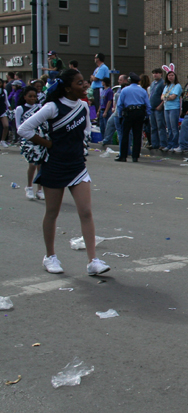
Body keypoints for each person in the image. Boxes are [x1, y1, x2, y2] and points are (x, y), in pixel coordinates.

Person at [17, 68, 111, 276]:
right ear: (68, 88)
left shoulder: (84, 107)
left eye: (84, 82)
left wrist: (79, 147)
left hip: (77, 165)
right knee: (52, 212)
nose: (85, 85)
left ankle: (93, 260)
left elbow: (86, 131)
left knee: (86, 212)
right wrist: (48, 144)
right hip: (55, 166)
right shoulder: (52, 107)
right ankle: (50, 256)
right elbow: (24, 129)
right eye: (79, 83)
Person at [15, 86, 45, 200]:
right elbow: (18, 126)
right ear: (24, 97)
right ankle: (29, 187)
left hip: (39, 138)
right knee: (32, 164)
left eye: (34, 96)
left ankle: (40, 189)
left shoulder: (40, 107)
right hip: (27, 139)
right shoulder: (20, 109)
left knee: (40, 165)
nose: (33, 98)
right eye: (30, 96)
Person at [115, 73, 150, 162]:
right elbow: (148, 105)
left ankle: (123, 156)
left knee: (125, 135)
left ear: (130, 81)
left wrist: (120, 115)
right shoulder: (142, 90)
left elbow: (119, 104)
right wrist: (147, 116)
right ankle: (135, 156)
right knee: (137, 135)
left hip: (128, 113)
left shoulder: (125, 90)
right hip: (140, 113)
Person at [102, 74, 127, 147]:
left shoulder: (126, 89)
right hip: (116, 111)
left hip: (122, 112)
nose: (119, 81)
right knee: (110, 123)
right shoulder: (119, 89)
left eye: (120, 80)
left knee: (121, 130)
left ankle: (124, 146)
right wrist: (114, 107)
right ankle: (107, 140)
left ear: (125, 80)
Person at [161, 68, 183, 152]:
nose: (170, 77)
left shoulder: (177, 86)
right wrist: (166, 97)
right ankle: (169, 144)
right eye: (169, 75)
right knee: (169, 127)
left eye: (172, 75)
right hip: (166, 108)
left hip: (174, 108)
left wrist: (166, 97)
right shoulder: (166, 86)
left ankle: (175, 144)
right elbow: (162, 97)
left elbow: (173, 96)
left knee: (174, 127)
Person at [148, 68, 168, 151]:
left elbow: (165, 95)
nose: (155, 75)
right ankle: (154, 143)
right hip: (152, 108)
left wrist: (161, 105)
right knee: (153, 127)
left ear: (161, 74)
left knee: (160, 126)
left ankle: (163, 143)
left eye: (157, 73)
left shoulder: (162, 83)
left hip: (158, 108)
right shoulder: (153, 83)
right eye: (154, 73)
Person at [89, 53, 110, 118]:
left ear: (98, 58)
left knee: (99, 104)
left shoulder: (103, 67)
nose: (94, 59)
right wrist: (92, 77)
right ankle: (97, 118)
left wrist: (93, 77)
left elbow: (95, 78)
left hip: (100, 88)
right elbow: (91, 78)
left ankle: (99, 119)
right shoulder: (97, 68)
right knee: (95, 104)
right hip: (95, 89)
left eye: (95, 58)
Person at [0, 78, 9, 147]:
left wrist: (10, 109)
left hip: (2, 110)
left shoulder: (4, 91)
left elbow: (6, 101)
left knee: (6, 125)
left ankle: (3, 140)